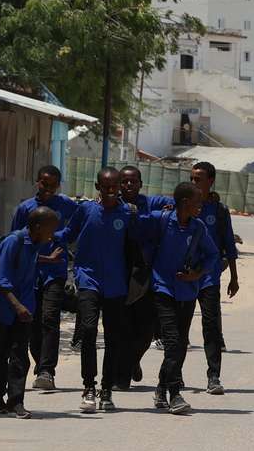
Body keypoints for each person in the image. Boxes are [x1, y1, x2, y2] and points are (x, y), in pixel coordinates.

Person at [54, 167, 138, 414]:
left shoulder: (128, 213)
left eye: (115, 187)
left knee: (113, 338)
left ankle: (107, 389)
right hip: (88, 278)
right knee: (89, 331)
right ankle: (89, 386)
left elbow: (139, 242)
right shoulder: (86, 210)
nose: (111, 191)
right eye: (106, 187)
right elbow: (67, 234)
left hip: (116, 284)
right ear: (98, 187)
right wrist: (43, 235)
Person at [133, 182, 220, 416]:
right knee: (172, 341)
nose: (201, 206)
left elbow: (213, 254)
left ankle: (161, 388)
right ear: (184, 203)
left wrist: (198, 273)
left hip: (187, 291)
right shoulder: (160, 220)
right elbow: (136, 225)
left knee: (179, 344)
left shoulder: (198, 227)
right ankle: (175, 393)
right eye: (197, 202)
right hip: (162, 288)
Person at [0, 207, 60, 419]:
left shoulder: (34, 244)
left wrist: (48, 259)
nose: (52, 234)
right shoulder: (14, 241)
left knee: (20, 356)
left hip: (24, 309)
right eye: (50, 229)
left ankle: (16, 402)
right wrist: (17, 306)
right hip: (2, 308)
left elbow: (28, 261)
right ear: (38, 227)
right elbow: (1, 279)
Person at [10, 165, 77, 391]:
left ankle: (47, 371)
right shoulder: (25, 208)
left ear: (58, 185)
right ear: (37, 182)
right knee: (34, 322)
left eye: (52, 185)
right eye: (44, 184)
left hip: (55, 273)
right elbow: (16, 240)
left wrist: (64, 237)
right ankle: (40, 363)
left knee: (50, 319)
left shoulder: (65, 205)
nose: (48, 189)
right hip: (30, 274)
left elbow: (82, 219)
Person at [118, 164, 172, 391]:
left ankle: (133, 360)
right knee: (122, 325)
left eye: (134, 181)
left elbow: (177, 201)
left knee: (147, 328)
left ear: (141, 184)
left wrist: (169, 208)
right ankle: (121, 374)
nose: (129, 184)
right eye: (125, 181)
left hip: (145, 272)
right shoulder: (112, 205)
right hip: (120, 272)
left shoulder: (150, 203)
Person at [189, 161, 239, 395]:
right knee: (180, 327)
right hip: (186, 277)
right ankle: (174, 376)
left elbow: (229, 244)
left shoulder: (219, 210)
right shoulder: (184, 206)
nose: (194, 183)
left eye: (198, 179)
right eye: (192, 179)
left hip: (210, 277)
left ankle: (214, 375)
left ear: (210, 181)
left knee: (210, 326)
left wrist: (234, 277)